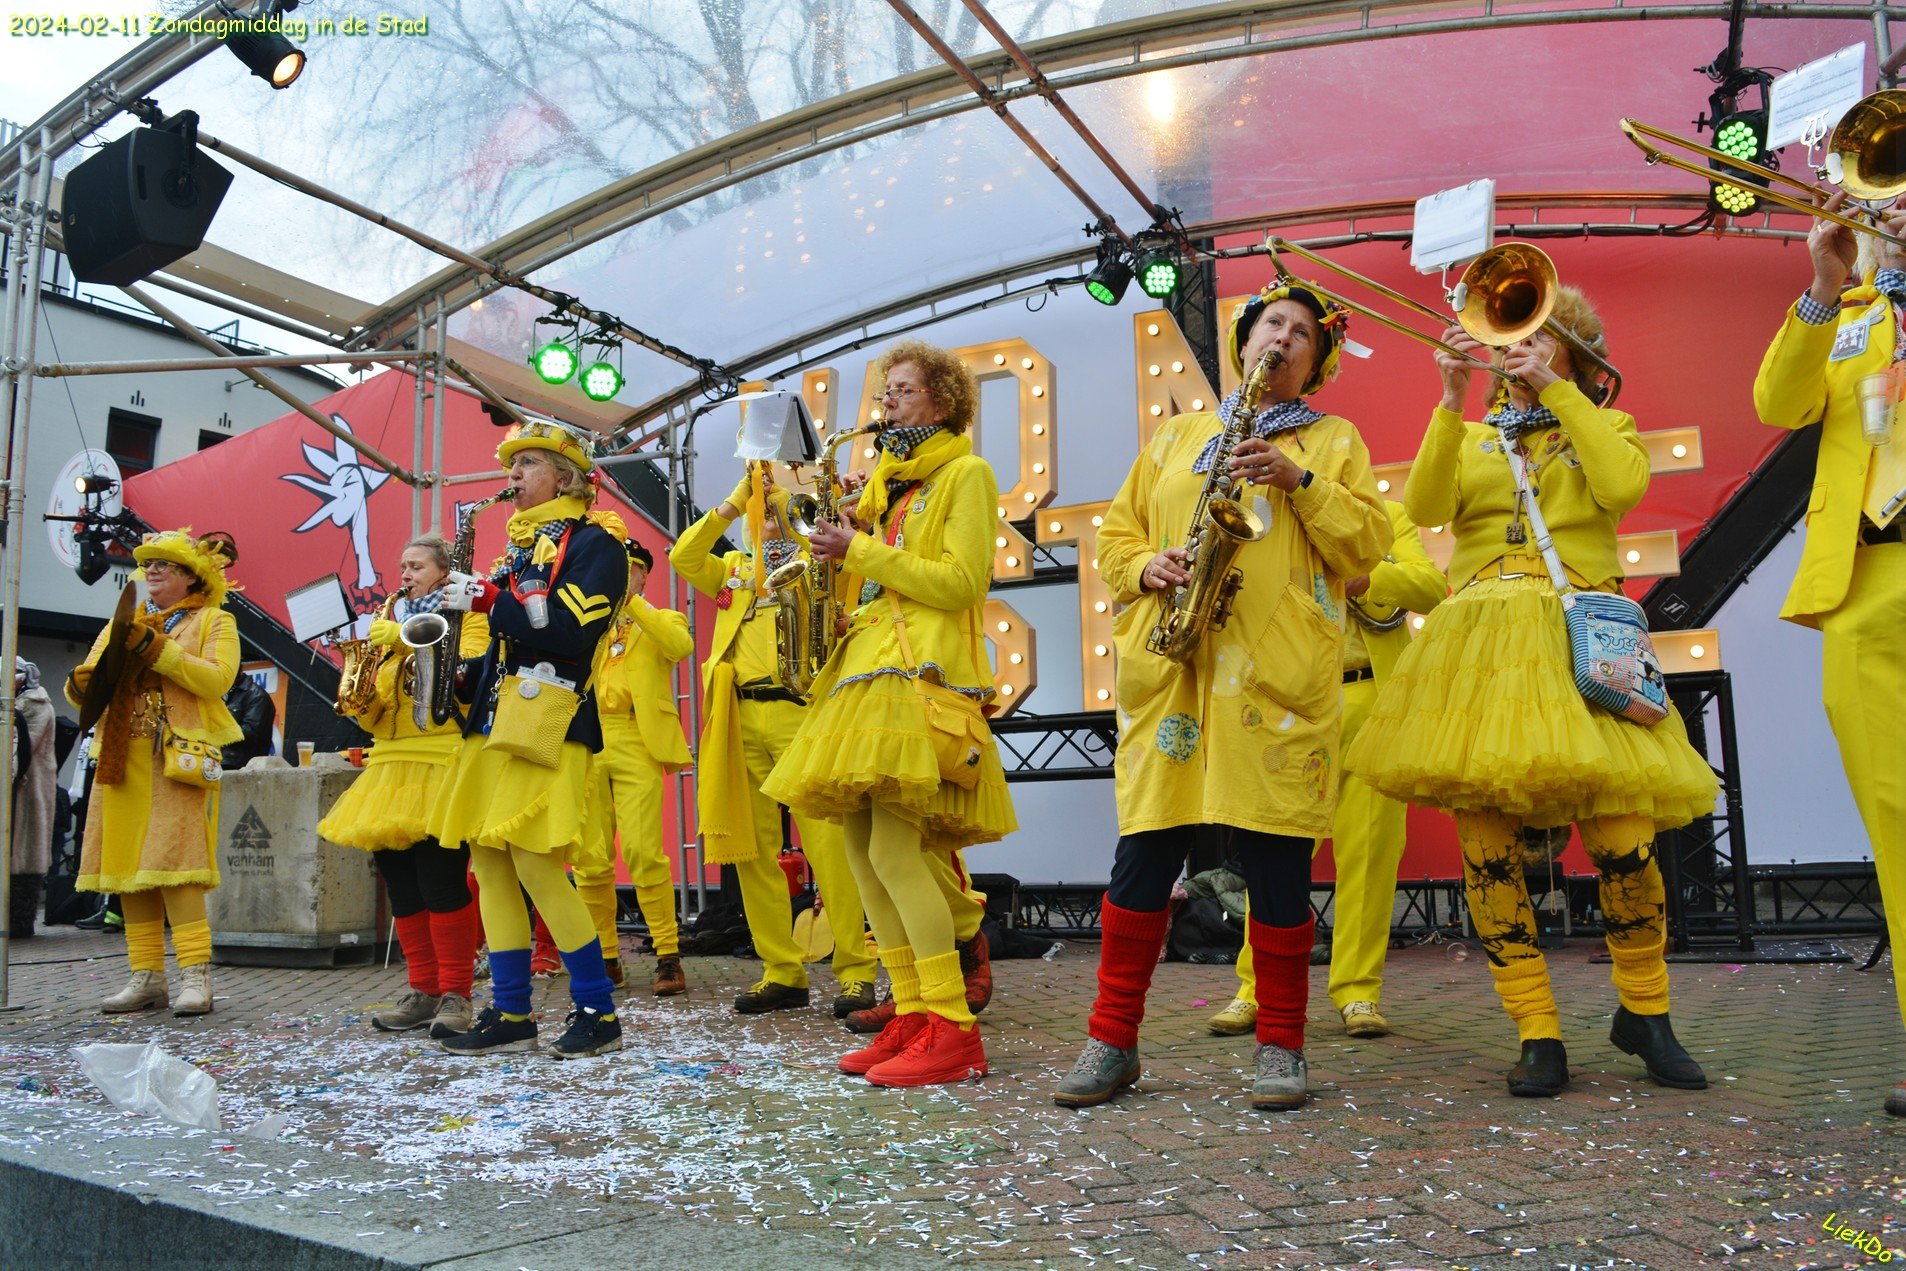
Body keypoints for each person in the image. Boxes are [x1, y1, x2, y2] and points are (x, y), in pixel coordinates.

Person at [1348, 285, 1720, 1097]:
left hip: (1576, 636)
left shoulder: (1602, 424)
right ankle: (1536, 1027)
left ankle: (1646, 1011)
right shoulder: (1476, 434)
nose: (1525, 350)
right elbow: (1425, 506)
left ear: (1581, 356)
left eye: (1549, 339)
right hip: (1478, 647)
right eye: (1520, 338)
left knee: (1626, 837)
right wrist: (1450, 397)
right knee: (1487, 847)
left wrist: (1557, 388)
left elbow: (1622, 486)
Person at [1054, 284, 1391, 1111]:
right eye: (1273, 323)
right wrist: (1147, 569)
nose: (1283, 337)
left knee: (1278, 866)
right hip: (1177, 674)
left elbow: (1369, 544)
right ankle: (1111, 1041)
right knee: (1140, 863)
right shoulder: (1177, 434)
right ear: (1245, 338)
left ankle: (1281, 1047)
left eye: (1302, 333)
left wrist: (1299, 477)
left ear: (1317, 362)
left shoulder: (1333, 440)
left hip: (1274, 680)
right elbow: (1118, 536)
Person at [762, 337, 1018, 1088]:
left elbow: (962, 582)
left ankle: (953, 1027)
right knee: (866, 856)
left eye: (903, 391)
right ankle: (912, 1011)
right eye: (885, 393)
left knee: (898, 856)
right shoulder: (890, 488)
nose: (887, 404)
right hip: (868, 669)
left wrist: (863, 551)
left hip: (916, 674)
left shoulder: (964, 473)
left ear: (941, 399)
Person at [1751, 196, 1906, 1117]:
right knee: (1897, 824)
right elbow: (1776, 401)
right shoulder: (1849, 314)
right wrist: (1825, 281)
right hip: (1865, 581)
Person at [427, 421, 628, 1059]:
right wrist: (459, 674)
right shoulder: (518, 549)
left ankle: (597, 1010)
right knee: (487, 865)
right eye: (511, 466)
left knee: (539, 865)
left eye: (529, 464)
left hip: (552, 717)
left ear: (566, 476)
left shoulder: (599, 544)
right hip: (495, 718)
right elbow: (512, 639)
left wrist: (489, 600)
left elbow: (569, 631)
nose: (511, 477)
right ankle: (511, 1010)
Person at [1210, 498, 1446, 1040]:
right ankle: (1255, 988)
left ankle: (1359, 992)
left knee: (1371, 851)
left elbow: (1429, 586)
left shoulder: (1384, 516)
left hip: (1367, 701)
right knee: (1275, 856)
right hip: (1286, 707)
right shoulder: (1266, 516)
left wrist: (1366, 577)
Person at [670, 470, 878, 1017]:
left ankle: (856, 971)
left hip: (800, 712)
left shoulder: (814, 563)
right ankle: (782, 972)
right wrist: (732, 502)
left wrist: (815, 510)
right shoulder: (735, 571)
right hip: (737, 717)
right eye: (762, 515)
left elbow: (857, 567)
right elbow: (683, 558)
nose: (769, 522)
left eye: (778, 513)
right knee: (751, 849)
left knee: (828, 847)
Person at [317, 534, 487, 1038]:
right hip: (389, 765)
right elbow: (378, 714)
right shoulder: (386, 623)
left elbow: (467, 675)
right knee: (404, 888)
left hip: (441, 761)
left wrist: (404, 639)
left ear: (443, 570)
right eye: (402, 564)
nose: (405, 572)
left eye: (416, 565)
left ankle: (457, 993)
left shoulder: (468, 617)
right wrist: (360, 695)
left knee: (443, 882)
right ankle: (423, 990)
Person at [66, 530, 243, 1015]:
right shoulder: (122, 621)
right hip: (121, 756)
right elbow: (89, 685)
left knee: (178, 867)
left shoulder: (215, 620)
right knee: (129, 871)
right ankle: (146, 977)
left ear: (192, 577)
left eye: (166, 564)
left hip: (177, 760)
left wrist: (158, 649)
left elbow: (217, 680)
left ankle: (195, 977)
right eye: (151, 564)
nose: (154, 570)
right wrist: (79, 686)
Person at [575, 538, 695, 996]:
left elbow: (679, 645)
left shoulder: (660, 618)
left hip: (634, 738)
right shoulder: (588, 622)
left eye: (629, 568)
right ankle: (607, 958)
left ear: (644, 574)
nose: (620, 575)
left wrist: (632, 604)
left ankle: (667, 955)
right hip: (588, 738)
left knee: (645, 852)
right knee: (590, 857)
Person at [8, 658, 58, 939]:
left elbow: (21, 749)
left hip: (29, 794)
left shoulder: (36, 706)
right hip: (15, 791)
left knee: (23, 861)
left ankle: (19, 921)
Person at [220, 670, 276, 772]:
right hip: (215, 763)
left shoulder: (257, 695)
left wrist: (217, 727)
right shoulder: (220, 693)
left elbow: (251, 733)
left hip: (239, 767)